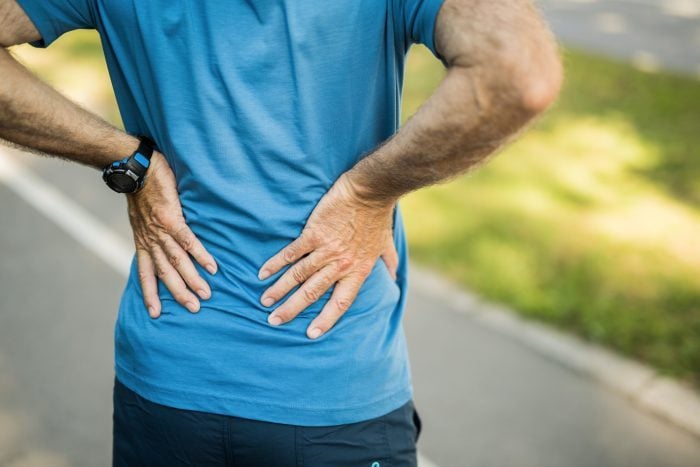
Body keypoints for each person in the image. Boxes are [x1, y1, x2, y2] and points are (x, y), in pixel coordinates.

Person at [0, 0, 562, 465]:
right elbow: (518, 72)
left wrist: (127, 161)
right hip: (329, 378)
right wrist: (367, 193)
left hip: (168, 375)